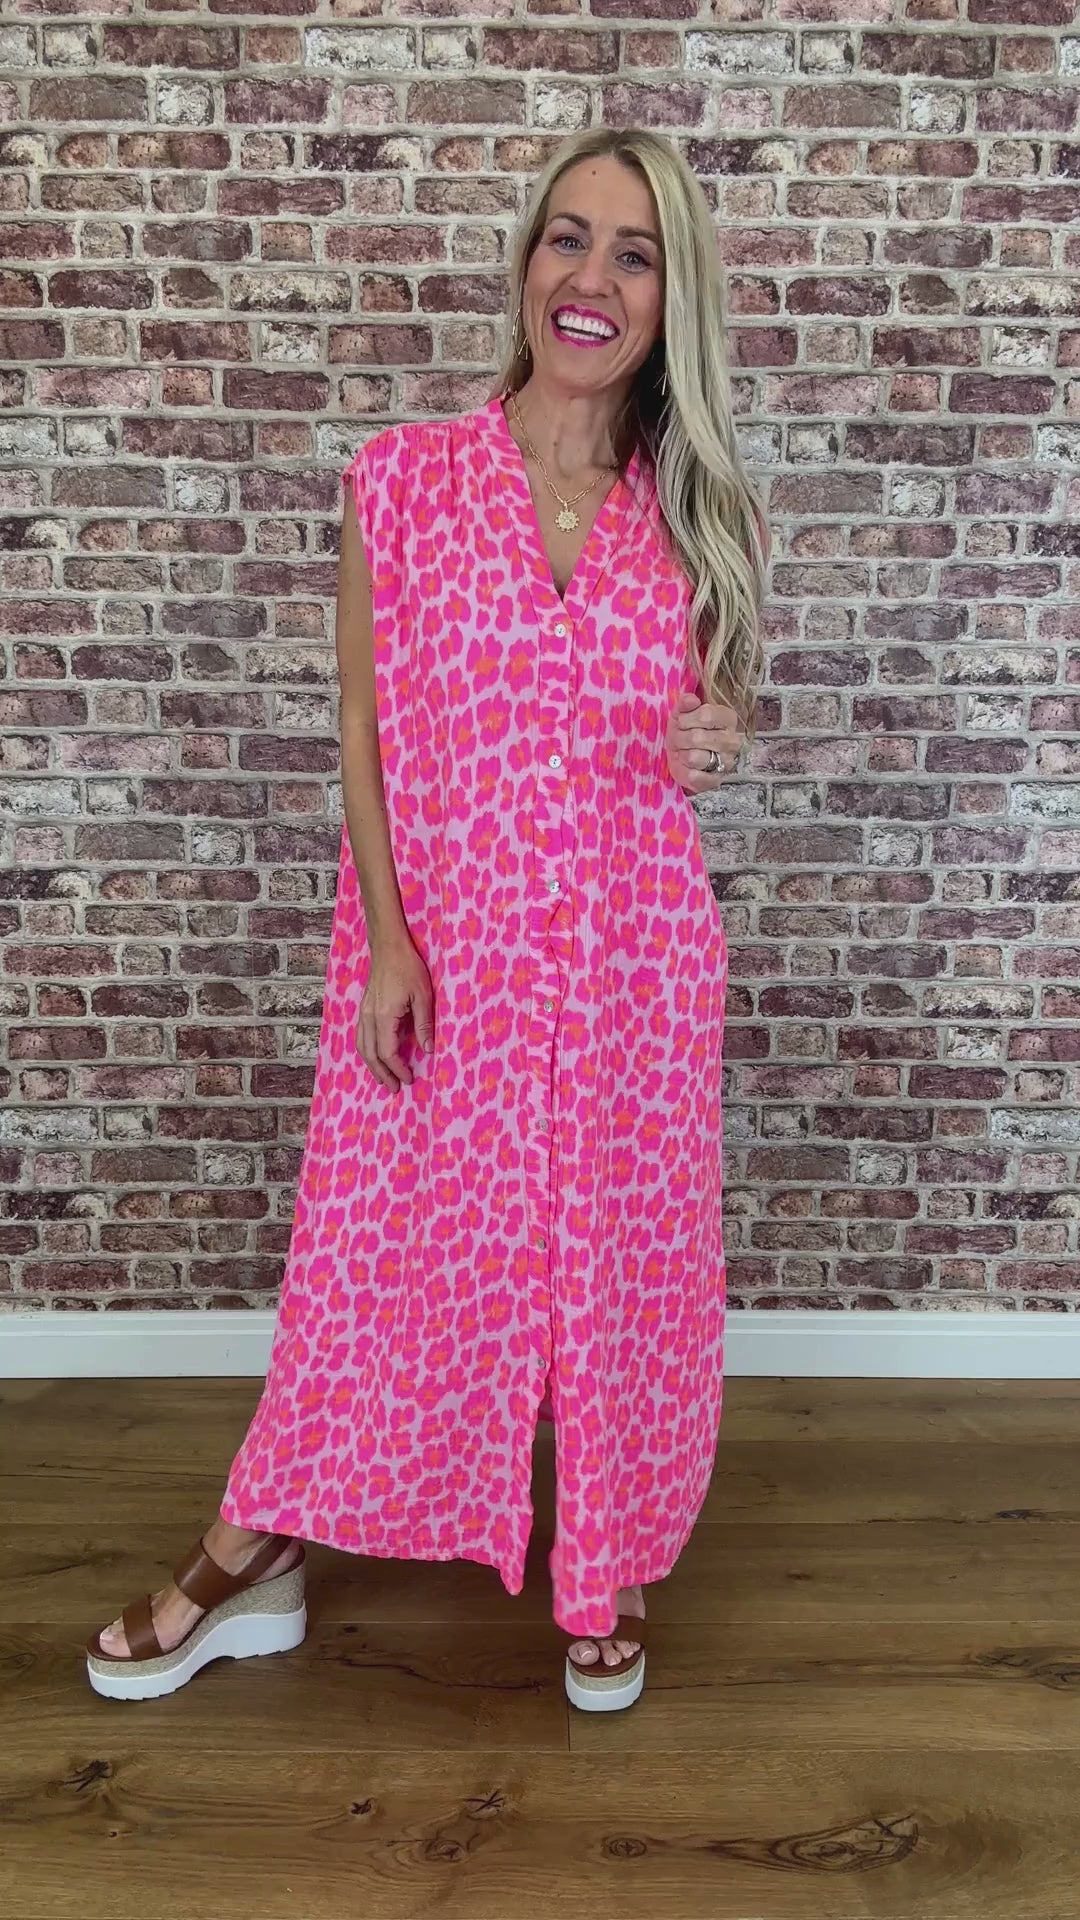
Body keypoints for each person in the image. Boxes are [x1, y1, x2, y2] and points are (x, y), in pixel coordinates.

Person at [86, 126, 769, 1712]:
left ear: (672, 302)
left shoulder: (692, 515)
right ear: (527, 263)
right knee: (374, 1257)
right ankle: (256, 1547)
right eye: (567, 239)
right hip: (442, 957)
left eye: (634, 252)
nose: (590, 278)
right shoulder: (399, 484)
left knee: (618, 1269)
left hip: (628, 968)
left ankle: (607, 1564)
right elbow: (363, 737)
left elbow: (713, 713)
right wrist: (393, 938)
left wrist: (718, 734)